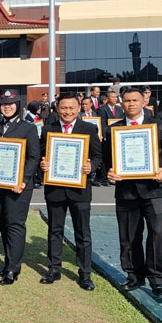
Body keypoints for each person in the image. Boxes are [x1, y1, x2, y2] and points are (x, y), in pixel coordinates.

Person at [105, 87, 162, 298]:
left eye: (135, 100)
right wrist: (108, 172)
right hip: (126, 192)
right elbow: (106, 159)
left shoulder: (156, 125)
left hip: (154, 190)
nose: (131, 104)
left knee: (158, 235)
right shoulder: (114, 129)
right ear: (121, 104)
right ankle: (133, 275)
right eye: (127, 100)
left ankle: (158, 280)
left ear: (143, 103)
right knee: (129, 237)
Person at [38, 93, 103, 291]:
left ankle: (85, 274)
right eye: (63, 108)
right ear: (57, 109)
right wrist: (44, 163)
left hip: (80, 190)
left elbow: (98, 156)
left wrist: (91, 167)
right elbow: (42, 153)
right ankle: (54, 268)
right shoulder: (49, 129)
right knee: (54, 230)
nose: (67, 111)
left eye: (71, 108)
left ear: (78, 108)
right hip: (55, 188)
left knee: (82, 232)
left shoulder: (89, 128)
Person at [0, 89, 40, 285]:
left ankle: (13, 269)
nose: (7, 107)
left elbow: (33, 157)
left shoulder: (28, 128)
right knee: (3, 224)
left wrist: (24, 180)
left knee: (15, 225)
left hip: (19, 186)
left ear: (18, 105)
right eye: (3, 104)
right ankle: (8, 262)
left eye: (10, 104)